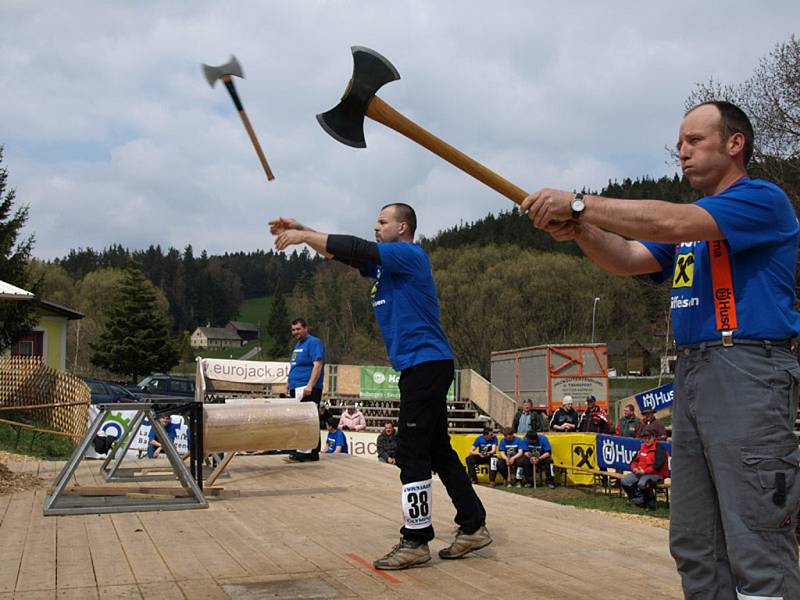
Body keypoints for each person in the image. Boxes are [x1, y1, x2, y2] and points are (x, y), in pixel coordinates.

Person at [521, 101, 800, 597]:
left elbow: (669, 222)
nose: (682, 152)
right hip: (694, 373)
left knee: (756, 537)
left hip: (748, 370)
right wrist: (581, 232)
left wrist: (580, 204)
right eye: (680, 143)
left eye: (695, 140)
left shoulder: (762, 200)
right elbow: (628, 256)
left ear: (735, 144)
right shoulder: (693, 230)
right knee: (695, 542)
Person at [271, 203, 490, 570]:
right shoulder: (386, 267)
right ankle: (473, 526)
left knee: (410, 453)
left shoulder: (408, 254)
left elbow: (357, 247)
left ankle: (416, 539)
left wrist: (304, 235)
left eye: (382, 221)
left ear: (403, 228)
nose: (375, 227)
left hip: (425, 364)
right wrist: (303, 229)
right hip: (422, 366)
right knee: (438, 451)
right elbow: (342, 254)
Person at [287, 318, 325, 462]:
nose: (295, 332)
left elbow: (317, 364)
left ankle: (304, 452)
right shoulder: (298, 344)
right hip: (296, 386)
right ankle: (313, 452)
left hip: (307, 387)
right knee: (305, 419)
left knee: (306, 419)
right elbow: (295, 366)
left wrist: (310, 385)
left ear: (305, 328)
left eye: (298, 329)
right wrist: (288, 383)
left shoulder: (314, 342)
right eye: (293, 330)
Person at [620, 425, 669, 510]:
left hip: (656, 475)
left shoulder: (660, 449)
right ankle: (638, 499)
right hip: (640, 473)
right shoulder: (642, 447)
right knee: (625, 481)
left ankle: (650, 504)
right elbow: (633, 461)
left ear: (653, 437)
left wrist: (644, 471)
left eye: (648, 438)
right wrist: (634, 468)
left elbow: (657, 466)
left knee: (642, 483)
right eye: (644, 438)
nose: (646, 440)